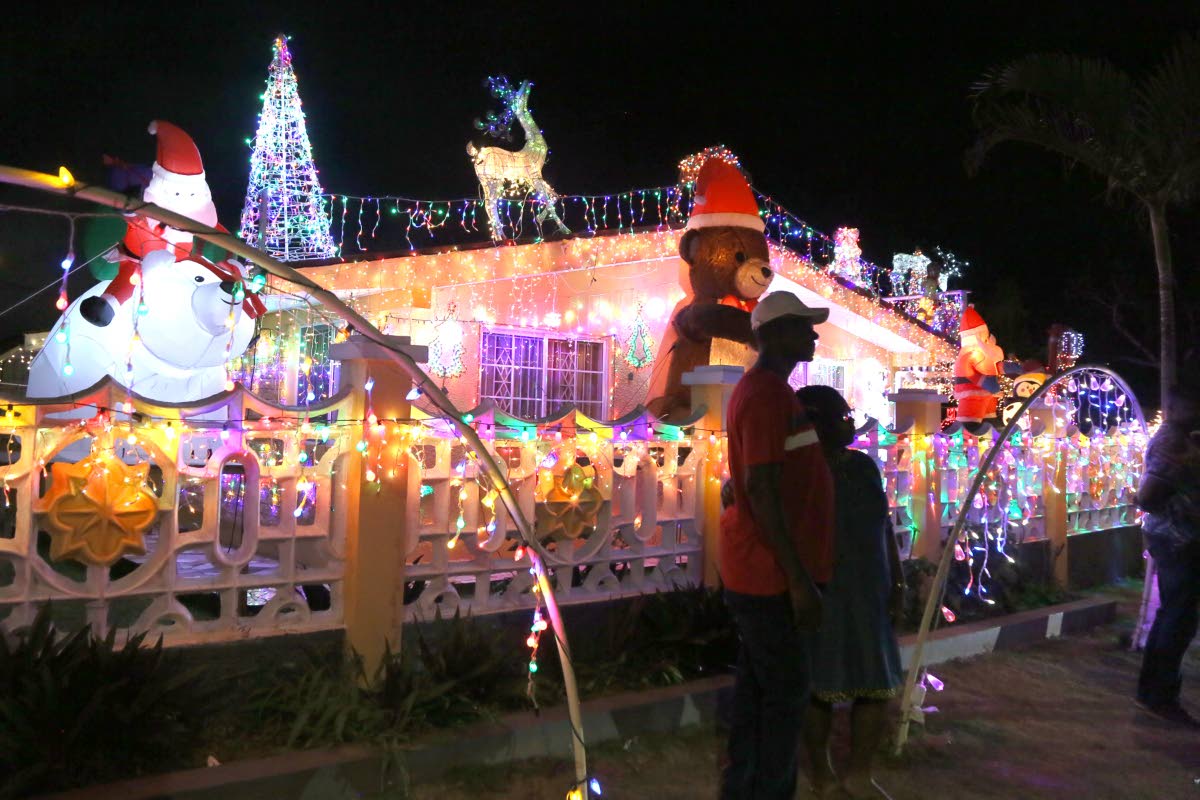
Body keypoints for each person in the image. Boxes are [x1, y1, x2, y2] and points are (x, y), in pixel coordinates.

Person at [720, 291, 834, 800]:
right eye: (803, 326)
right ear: (775, 333)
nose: (812, 335)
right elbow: (762, 490)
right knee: (784, 702)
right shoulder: (765, 394)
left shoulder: (769, 392)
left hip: (767, 575)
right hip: (771, 580)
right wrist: (799, 582)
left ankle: (742, 790)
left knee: (759, 697)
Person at [796, 385, 904, 799]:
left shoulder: (863, 467)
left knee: (875, 682)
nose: (850, 422)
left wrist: (897, 577)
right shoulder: (798, 471)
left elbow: (883, 525)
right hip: (823, 590)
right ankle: (821, 772)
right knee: (821, 685)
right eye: (841, 416)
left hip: (869, 588)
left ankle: (860, 773)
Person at [1136, 379, 1200, 726]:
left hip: (1180, 539)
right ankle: (1159, 695)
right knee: (1178, 619)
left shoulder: (1183, 439)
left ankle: (1154, 692)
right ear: (1177, 407)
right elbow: (1146, 497)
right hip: (1176, 541)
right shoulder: (1172, 443)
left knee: (1175, 617)